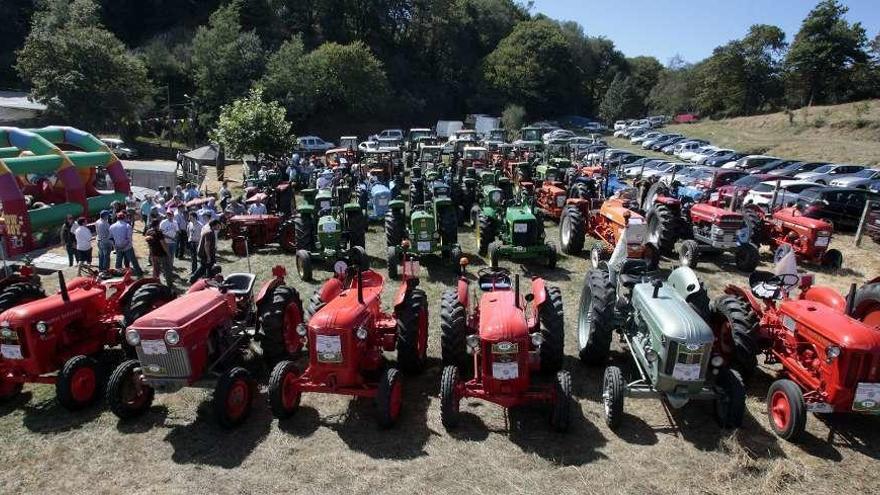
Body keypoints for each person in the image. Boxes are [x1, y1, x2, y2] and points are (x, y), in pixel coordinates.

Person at [191, 219, 220, 283]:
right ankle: (192, 279)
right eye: (218, 225)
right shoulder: (209, 232)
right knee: (203, 268)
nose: (219, 227)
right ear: (214, 225)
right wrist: (208, 257)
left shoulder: (211, 231)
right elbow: (206, 245)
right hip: (205, 254)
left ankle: (209, 279)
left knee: (209, 267)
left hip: (207, 253)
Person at [145, 219, 172, 287]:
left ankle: (155, 283)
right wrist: (168, 253)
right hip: (162, 254)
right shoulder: (158, 232)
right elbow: (163, 244)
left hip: (153, 254)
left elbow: (148, 243)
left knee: (156, 270)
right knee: (167, 270)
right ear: (158, 224)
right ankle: (169, 284)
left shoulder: (148, 232)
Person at [159, 210, 179, 281]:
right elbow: (161, 233)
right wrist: (171, 238)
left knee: (172, 258)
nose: (169, 216)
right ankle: (165, 273)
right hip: (166, 243)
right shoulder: (163, 223)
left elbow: (177, 231)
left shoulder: (175, 222)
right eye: (168, 215)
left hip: (173, 243)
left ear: (173, 215)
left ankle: (169, 272)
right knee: (166, 258)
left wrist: (175, 237)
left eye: (170, 215)